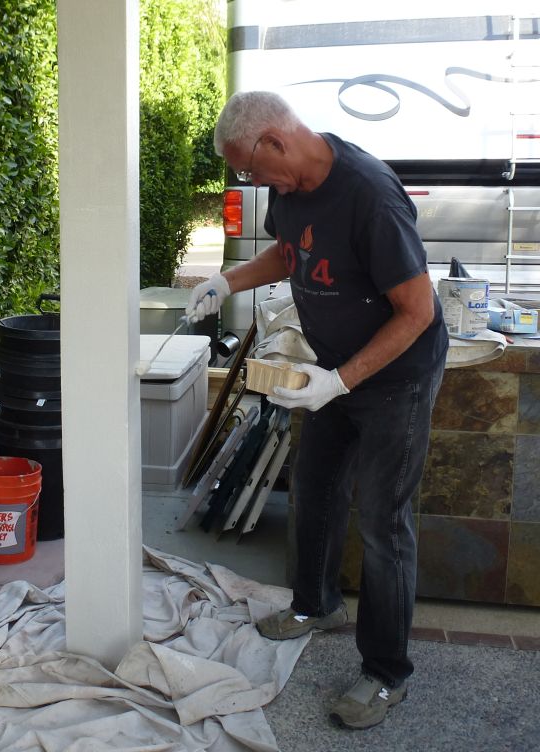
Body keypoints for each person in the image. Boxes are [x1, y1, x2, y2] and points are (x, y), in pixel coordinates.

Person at [186, 91, 449, 730]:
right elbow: (288, 250)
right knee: (315, 488)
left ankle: (387, 675)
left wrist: (339, 381)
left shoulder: (369, 195)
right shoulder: (291, 186)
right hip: (332, 368)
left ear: (275, 141)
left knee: (383, 524)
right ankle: (316, 605)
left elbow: (417, 313)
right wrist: (226, 281)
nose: (251, 183)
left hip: (395, 377)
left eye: (250, 169)